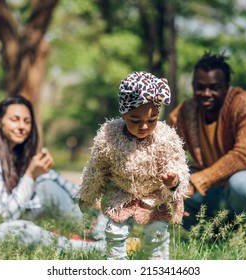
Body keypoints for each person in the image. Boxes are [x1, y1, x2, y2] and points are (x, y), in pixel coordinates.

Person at [0, 95, 106, 252]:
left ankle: (107, 235)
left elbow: (50, 178)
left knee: (47, 187)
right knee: (21, 232)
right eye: (15, 120)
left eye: (27, 121)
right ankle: (94, 250)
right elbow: (5, 216)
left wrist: (87, 196)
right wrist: (30, 175)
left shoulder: (12, 151)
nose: (22, 126)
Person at [169, 51, 246, 231]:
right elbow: (169, 151)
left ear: (226, 87)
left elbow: (245, 156)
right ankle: (213, 238)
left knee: (241, 183)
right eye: (200, 87)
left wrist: (198, 180)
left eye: (214, 87)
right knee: (173, 181)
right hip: (216, 190)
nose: (206, 93)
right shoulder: (186, 112)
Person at [76, 71, 190, 260]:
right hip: (122, 193)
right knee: (115, 231)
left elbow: (178, 164)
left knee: (157, 232)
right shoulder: (108, 137)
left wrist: (174, 181)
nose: (144, 126)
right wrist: (87, 196)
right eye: (135, 121)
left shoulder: (165, 138)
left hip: (155, 196)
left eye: (151, 120)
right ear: (123, 113)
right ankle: (116, 262)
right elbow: (96, 171)